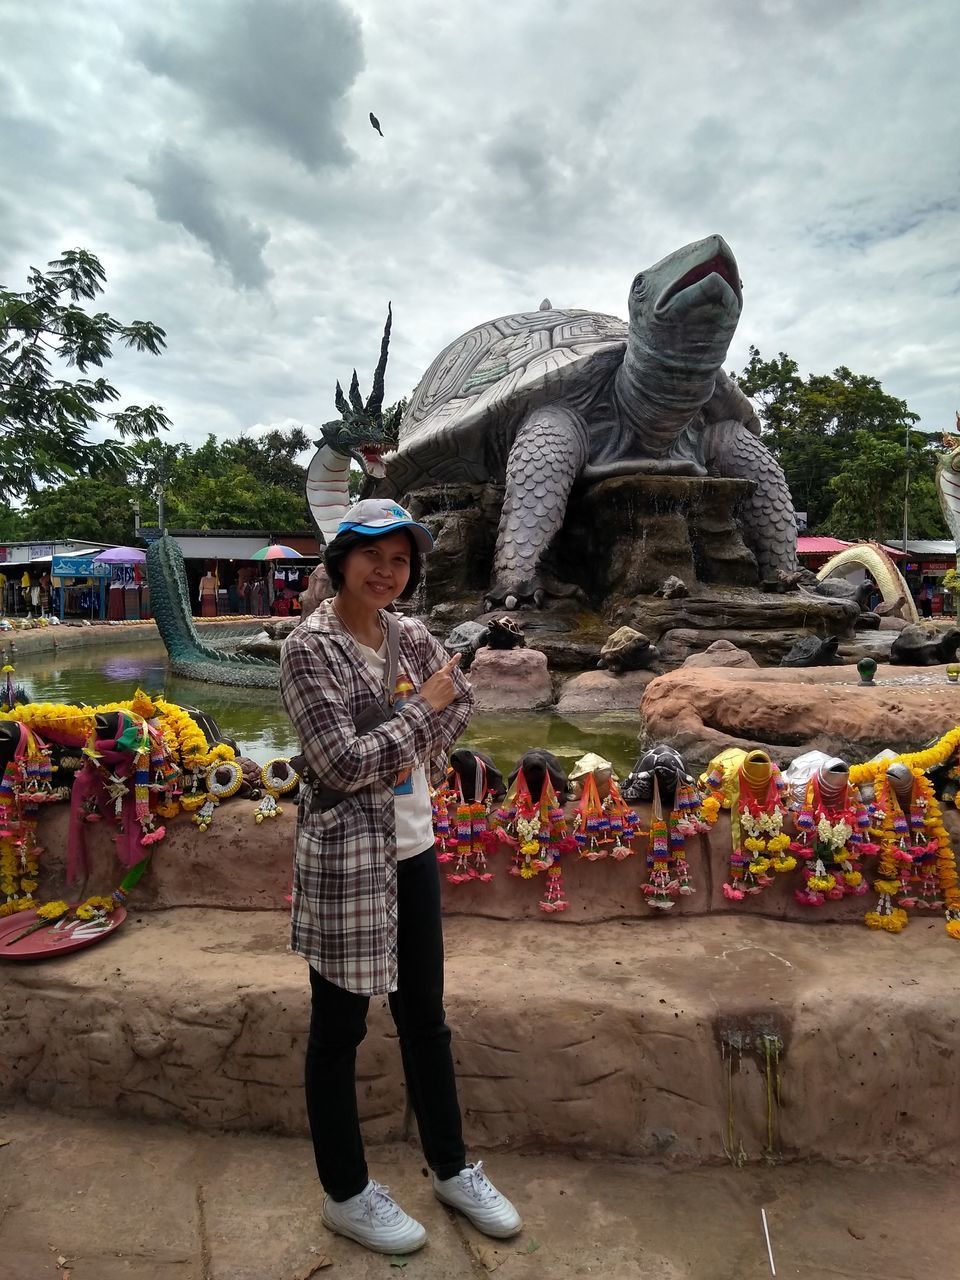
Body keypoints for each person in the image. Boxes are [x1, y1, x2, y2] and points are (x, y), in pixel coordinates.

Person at [280, 498, 521, 1257]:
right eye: (373, 556)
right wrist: (417, 720)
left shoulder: (409, 634)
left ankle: (451, 1168)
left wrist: (410, 730)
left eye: (402, 560)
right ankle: (346, 1194)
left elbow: (461, 699)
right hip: (346, 860)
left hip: (412, 849)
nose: (387, 572)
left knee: (426, 1017)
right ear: (340, 558)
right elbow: (338, 764)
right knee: (339, 1029)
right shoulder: (307, 649)